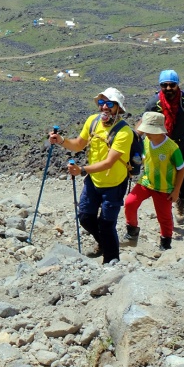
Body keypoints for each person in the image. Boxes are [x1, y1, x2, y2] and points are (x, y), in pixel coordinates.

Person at [49, 87, 134, 264]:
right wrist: (62, 141)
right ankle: (104, 244)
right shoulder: (92, 121)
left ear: (118, 107)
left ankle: (111, 261)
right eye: (102, 103)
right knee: (85, 217)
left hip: (114, 184)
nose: (104, 107)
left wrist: (82, 170)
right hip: (94, 180)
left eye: (109, 104)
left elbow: (109, 162)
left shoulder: (124, 132)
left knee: (106, 224)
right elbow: (79, 144)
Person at [145, 70, 184, 221]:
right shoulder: (155, 104)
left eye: (172, 85)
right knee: (165, 181)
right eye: (164, 85)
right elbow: (145, 124)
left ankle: (180, 199)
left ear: (178, 85)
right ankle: (165, 215)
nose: (168, 88)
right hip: (163, 149)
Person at [123, 110, 184, 251]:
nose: (146, 134)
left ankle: (165, 244)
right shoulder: (146, 141)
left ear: (159, 131)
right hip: (146, 182)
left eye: (149, 131)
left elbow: (182, 169)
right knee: (130, 202)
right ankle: (132, 232)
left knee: (164, 217)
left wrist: (176, 191)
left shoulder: (172, 148)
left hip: (164, 187)